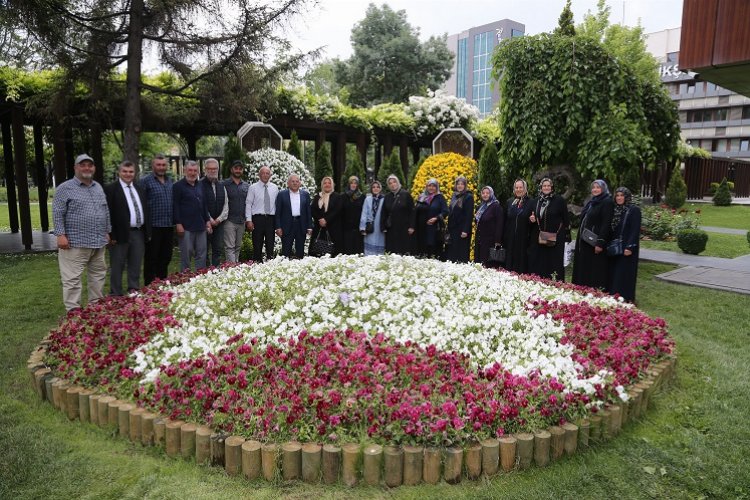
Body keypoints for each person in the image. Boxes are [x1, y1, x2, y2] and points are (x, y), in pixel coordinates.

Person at [52, 153, 111, 311]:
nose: (86, 168)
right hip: (75, 243)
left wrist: (107, 230)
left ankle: (96, 308)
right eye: (82, 164)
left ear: (94, 168)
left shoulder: (97, 187)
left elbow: (105, 210)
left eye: (89, 165)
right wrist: (60, 235)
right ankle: (74, 314)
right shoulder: (65, 188)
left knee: (98, 276)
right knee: (71, 279)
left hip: (98, 241)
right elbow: (57, 212)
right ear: (75, 168)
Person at [105, 160, 150, 296]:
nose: (128, 174)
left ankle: (133, 289)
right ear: (119, 172)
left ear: (135, 173)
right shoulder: (110, 189)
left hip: (138, 232)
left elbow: (145, 210)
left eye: (131, 171)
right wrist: (110, 233)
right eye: (125, 171)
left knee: (135, 263)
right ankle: (116, 293)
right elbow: (107, 212)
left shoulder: (139, 188)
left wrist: (147, 231)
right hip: (119, 234)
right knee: (117, 265)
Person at [572, 179, 614, 290]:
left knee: (594, 266)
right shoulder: (592, 201)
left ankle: (594, 289)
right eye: (593, 187)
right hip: (585, 239)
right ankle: (582, 287)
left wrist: (600, 243)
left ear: (603, 188)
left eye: (598, 187)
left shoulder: (607, 202)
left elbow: (606, 223)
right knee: (585, 264)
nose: (595, 189)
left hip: (594, 241)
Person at [140, 154, 173, 284]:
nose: (161, 167)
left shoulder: (170, 181)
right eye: (158, 165)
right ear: (153, 165)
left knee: (166, 257)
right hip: (153, 226)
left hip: (168, 225)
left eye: (163, 165)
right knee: (151, 258)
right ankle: (149, 285)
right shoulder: (145, 181)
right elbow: (141, 203)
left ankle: (161, 282)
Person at [528, 177, 570, 280]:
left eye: (548, 186)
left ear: (552, 187)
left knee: (555, 262)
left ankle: (557, 283)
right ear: (541, 187)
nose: (546, 188)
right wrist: (531, 219)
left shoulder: (559, 200)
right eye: (544, 186)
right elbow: (532, 217)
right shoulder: (536, 201)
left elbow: (566, 219)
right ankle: (542, 281)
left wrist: (566, 235)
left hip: (556, 237)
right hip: (540, 238)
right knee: (541, 262)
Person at [173, 160, 212, 271]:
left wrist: (207, 220)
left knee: (202, 254)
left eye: (195, 171)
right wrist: (178, 223)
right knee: (186, 255)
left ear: (198, 172)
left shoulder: (201, 186)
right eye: (190, 170)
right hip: (186, 227)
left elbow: (204, 204)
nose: (192, 173)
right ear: (185, 170)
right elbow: (175, 206)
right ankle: (185, 278)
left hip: (200, 226)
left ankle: (199, 278)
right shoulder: (178, 186)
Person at [608, 187, 642, 303]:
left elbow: (635, 230)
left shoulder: (634, 210)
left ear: (627, 197)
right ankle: (614, 294)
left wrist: (630, 246)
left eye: (622, 195)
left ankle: (626, 297)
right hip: (615, 247)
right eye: (617, 195)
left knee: (625, 272)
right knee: (615, 272)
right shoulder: (616, 210)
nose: (619, 198)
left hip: (627, 247)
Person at [245, 166, 279, 262]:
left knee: (270, 244)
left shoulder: (275, 188)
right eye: (263, 173)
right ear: (259, 175)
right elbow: (248, 204)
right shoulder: (253, 188)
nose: (265, 175)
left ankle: (270, 265)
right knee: (257, 245)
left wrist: (277, 224)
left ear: (270, 175)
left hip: (270, 219)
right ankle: (257, 265)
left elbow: (277, 205)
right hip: (257, 219)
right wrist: (249, 220)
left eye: (267, 173)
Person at [275, 174, 313, 258]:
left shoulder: (305, 194)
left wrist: (309, 226)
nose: (295, 183)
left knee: (300, 251)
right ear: (288, 183)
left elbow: (308, 212)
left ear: (300, 183)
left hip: (301, 225)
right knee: (286, 251)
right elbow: (278, 212)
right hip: (287, 226)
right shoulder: (281, 194)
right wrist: (278, 227)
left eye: (297, 181)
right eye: (292, 181)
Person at [411, 178, 448, 258]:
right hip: (421, 229)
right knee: (421, 251)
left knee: (432, 251)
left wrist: (436, 218)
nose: (431, 188)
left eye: (433, 186)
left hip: (434, 229)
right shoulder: (421, 197)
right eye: (429, 186)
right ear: (426, 187)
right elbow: (415, 211)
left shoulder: (440, 197)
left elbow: (445, 211)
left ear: (437, 187)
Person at [200, 158, 228, 267]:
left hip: (219, 223)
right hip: (204, 223)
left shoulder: (221, 185)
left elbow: (226, 205)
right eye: (210, 169)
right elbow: (200, 204)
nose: (212, 171)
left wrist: (219, 219)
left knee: (217, 250)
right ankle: (204, 272)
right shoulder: (199, 185)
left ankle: (216, 271)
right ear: (205, 169)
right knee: (204, 250)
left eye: (215, 168)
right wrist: (210, 219)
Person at [222, 160, 249, 263]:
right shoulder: (224, 184)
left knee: (237, 246)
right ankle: (232, 268)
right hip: (229, 220)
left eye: (240, 168)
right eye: (236, 168)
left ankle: (234, 267)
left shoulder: (246, 186)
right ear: (231, 169)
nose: (238, 170)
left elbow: (249, 203)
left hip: (242, 221)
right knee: (230, 247)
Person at [380, 175, 414, 255]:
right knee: (391, 251)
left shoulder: (406, 195)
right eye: (390, 183)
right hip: (391, 229)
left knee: (403, 251)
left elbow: (412, 211)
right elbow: (384, 212)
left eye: (394, 182)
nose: (392, 184)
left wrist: (412, 226)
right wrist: (383, 227)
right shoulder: (387, 197)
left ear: (398, 182)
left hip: (404, 228)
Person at [444, 176, 474, 263]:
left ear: (465, 185)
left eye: (462, 184)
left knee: (461, 253)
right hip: (453, 229)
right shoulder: (454, 195)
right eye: (458, 184)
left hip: (462, 230)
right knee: (452, 253)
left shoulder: (468, 197)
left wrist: (465, 230)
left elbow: (469, 215)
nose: (460, 186)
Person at [503, 179, 531, 274]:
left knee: (521, 266)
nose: (518, 189)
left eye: (521, 187)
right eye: (516, 187)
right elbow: (505, 220)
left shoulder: (531, 202)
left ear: (525, 189)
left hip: (524, 240)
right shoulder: (510, 202)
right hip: (510, 239)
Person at [311, 176, 343, 256]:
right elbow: (312, 210)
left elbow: (337, 210)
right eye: (325, 183)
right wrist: (320, 219)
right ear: (322, 185)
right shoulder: (317, 197)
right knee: (317, 253)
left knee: (333, 254)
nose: (327, 185)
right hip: (319, 229)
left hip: (333, 229)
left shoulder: (337, 197)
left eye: (329, 183)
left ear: (332, 185)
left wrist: (326, 220)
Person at [473, 186, 504, 267]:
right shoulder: (481, 206)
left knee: (488, 265)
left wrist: (498, 241)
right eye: (483, 193)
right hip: (480, 240)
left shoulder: (496, 206)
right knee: (479, 264)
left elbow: (499, 225)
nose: (485, 195)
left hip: (490, 241)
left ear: (491, 194)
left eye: (487, 193)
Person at [359, 181, 386, 256]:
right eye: (374, 187)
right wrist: (362, 228)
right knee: (369, 249)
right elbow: (364, 213)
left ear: (380, 188)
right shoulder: (368, 199)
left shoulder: (384, 199)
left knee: (380, 249)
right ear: (371, 189)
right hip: (370, 226)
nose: (375, 188)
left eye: (377, 187)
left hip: (380, 226)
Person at [341, 176, 365, 254]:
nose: (353, 185)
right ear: (349, 184)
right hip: (346, 229)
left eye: (355, 183)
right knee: (347, 252)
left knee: (358, 252)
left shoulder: (362, 197)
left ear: (358, 185)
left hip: (358, 230)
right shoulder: (343, 196)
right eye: (351, 183)